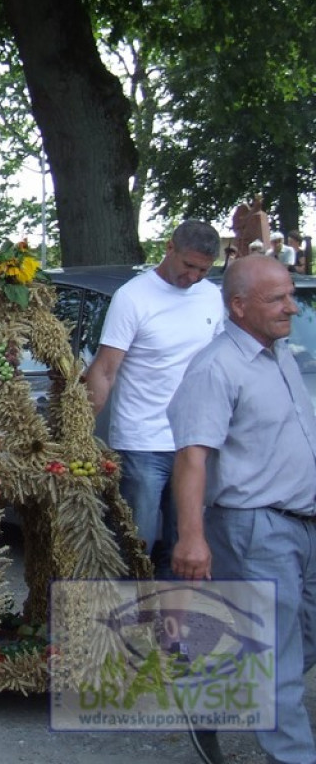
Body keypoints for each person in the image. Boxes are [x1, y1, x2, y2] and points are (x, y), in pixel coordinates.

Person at [169, 255, 316, 764]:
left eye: (291, 295)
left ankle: (207, 695)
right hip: (255, 529)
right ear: (238, 306)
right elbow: (192, 457)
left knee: (298, 639)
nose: (292, 308)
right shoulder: (215, 368)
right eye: (277, 299)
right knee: (276, 654)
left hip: (304, 524)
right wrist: (192, 537)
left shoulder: (279, 355)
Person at [84, 220, 224, 581]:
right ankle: (129, 627)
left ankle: (174, 631)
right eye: (188, 266)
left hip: (193, 444)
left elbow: (223, 365)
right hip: (142, 443)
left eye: (202, 270)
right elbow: (105, 370)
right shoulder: (133, 297)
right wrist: (78, 432)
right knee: (136, 546)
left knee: (185, 547)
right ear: (169, 248)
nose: (193, 276)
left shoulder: (211, 296)